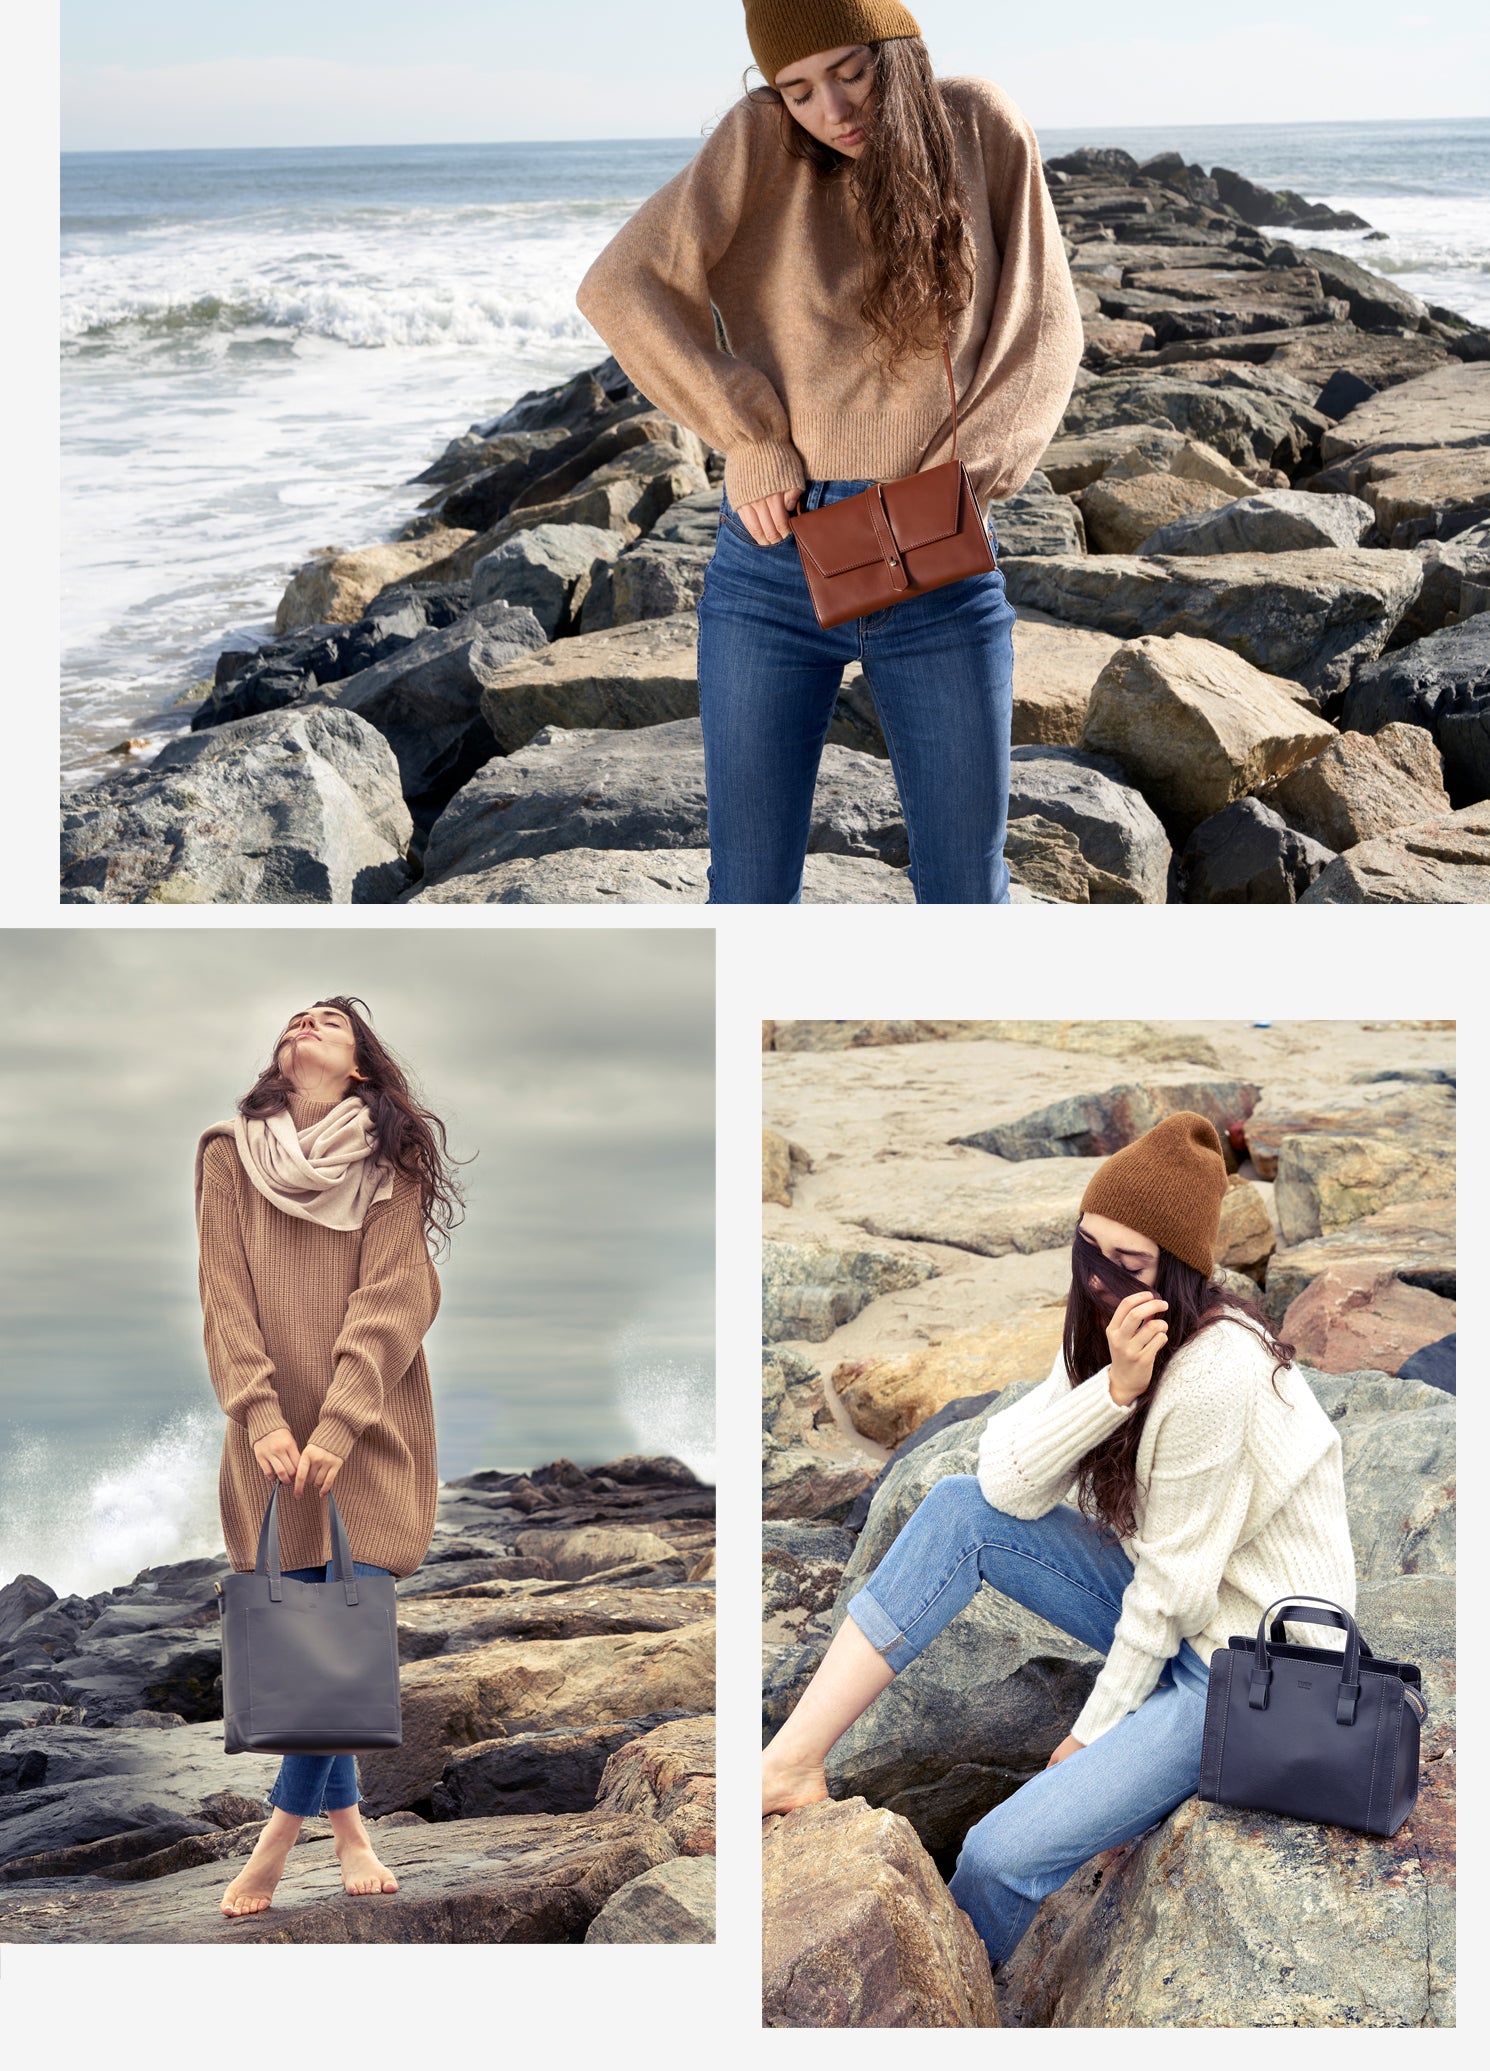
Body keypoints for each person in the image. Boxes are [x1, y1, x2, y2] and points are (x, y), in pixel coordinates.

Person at [761, 1111, 1357, 1969]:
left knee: (1002, 1855)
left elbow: (1173, 1594)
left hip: (1248, 1669)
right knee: (960, 1509)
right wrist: (1111, 1387)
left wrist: (1092, 1733)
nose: (1103, 1278)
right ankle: (790, 1760)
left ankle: (934, 2003)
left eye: (1131, 1263)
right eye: (1090, 1249)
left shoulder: (1219, 1372)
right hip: (1183, 1611)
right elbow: (1005, 1482)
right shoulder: (1112, 1331)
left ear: (1181, 1271)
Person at [574, 2, 1083, 903]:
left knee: (967, 889)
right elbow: (621, 285)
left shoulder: (980, 124)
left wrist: (966, 480)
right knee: (750, 892)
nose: (831, 109)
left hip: (937, 562)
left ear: (900, 47)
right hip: (775, 557)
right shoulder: (761, 141)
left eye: (851, 70)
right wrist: (749, 435)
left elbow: (1044, 327)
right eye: (798, 88)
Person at [194, 996, 463, 1918]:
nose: (305, 1021)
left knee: (342, 1624)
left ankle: (273, 1844)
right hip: (266, 1432)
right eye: (297, 1016)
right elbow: (222, 1293)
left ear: (358, 1066)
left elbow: (391, 1301)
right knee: (319, 1634)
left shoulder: (394, 1167)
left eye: (330, 1020)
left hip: (369, 1426)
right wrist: (260, 1413)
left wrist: (340, 1423)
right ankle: (349, 1830)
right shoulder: (228, 1153)